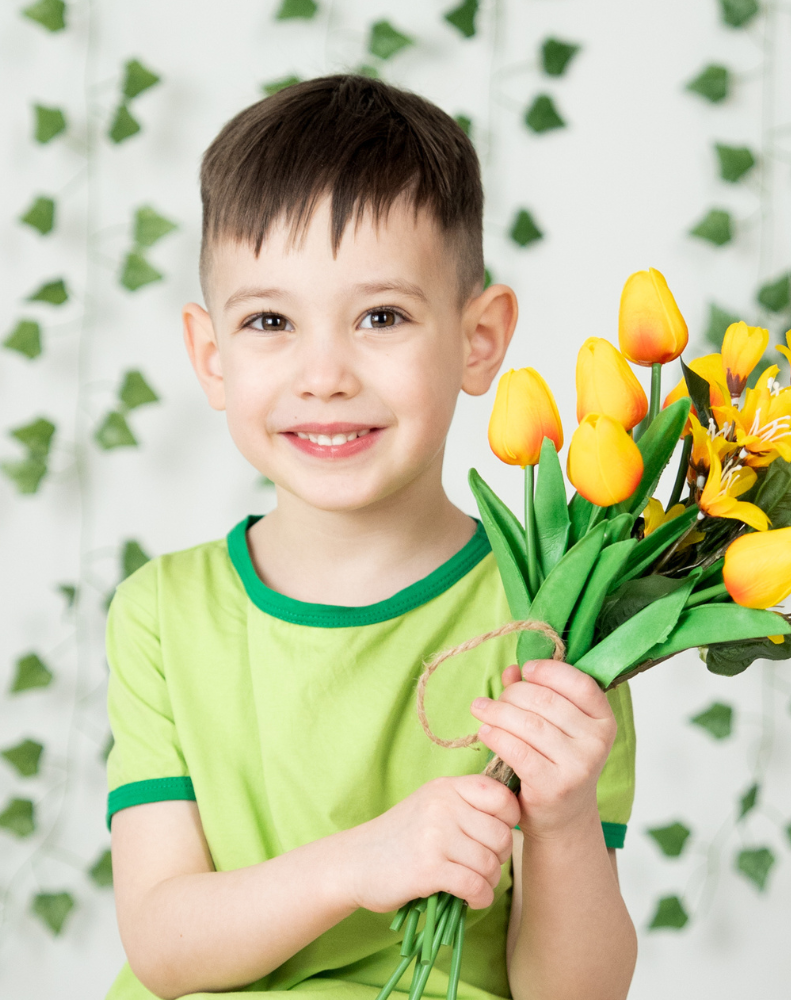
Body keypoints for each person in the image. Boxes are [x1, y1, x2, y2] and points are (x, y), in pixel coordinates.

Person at [105, 74, 637, 1000]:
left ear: (479, 341)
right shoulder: (163, 614)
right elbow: (162, 943)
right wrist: (359, 863)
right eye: (270, 321)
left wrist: (560, 818)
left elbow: (577, 993)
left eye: (381, 316)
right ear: (210, 357)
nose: (324, 375)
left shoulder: (560, 621)